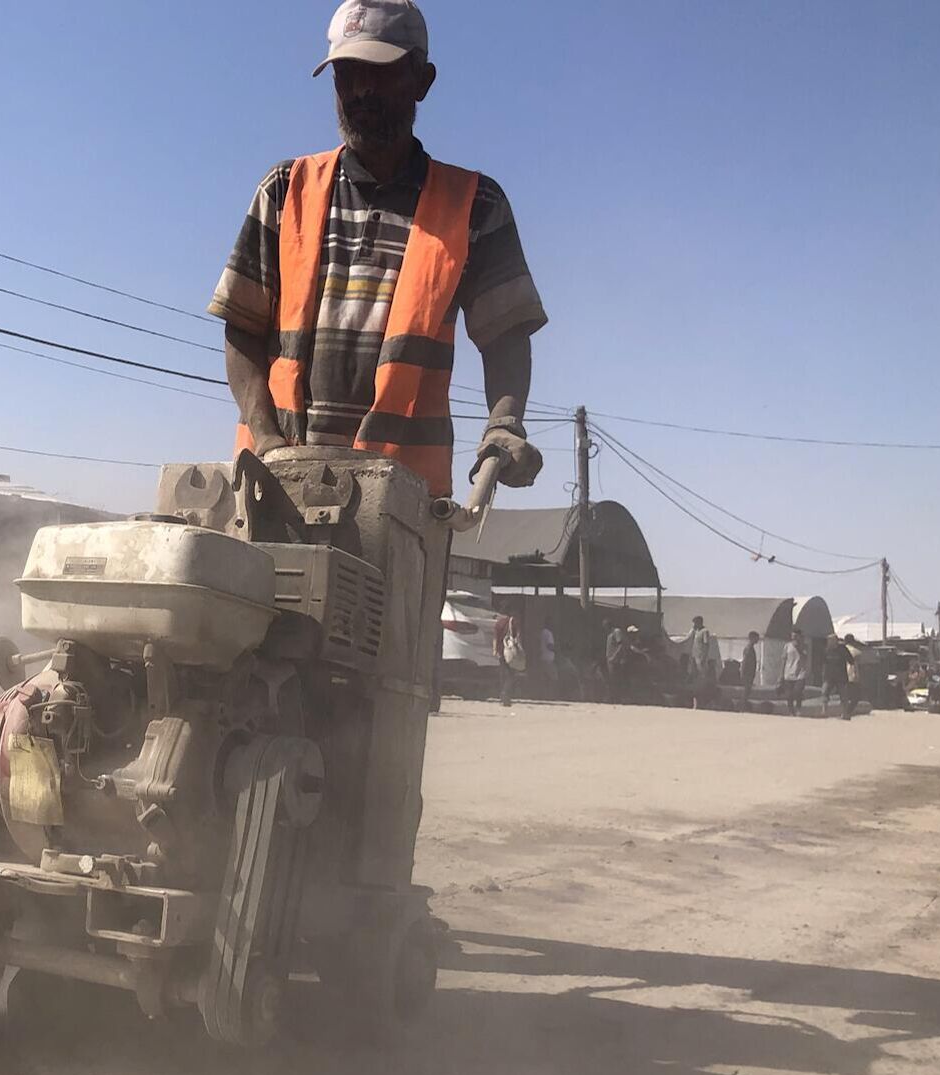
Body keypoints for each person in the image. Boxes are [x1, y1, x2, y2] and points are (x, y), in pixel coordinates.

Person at [212, 2, 546, 572]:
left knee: (388, 658)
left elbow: (505, 335)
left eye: (381, 71)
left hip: (401, 509)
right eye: (347, 74)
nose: (361, 89)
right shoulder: (284, 189)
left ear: (423, 80)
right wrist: (268, 444)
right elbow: (242, 328)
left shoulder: (475, 205)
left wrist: (504, 423)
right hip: (274, 497)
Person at [686, 616, 720, 710]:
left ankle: (702, 702)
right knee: (694, 681)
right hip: (694, 657)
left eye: (694, 623)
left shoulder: (704, 631)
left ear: (698, 622)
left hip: (700, 659)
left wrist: (703, 658)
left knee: (701, 681)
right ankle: (695, 702)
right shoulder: (695, 632)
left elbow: (706, 645)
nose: (693, 625)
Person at [492, 607, 520, 708]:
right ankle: (506, 695)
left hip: (500, 651)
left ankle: (502, 697)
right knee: (511, 675)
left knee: (503, 673)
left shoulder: (498, 623)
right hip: (510, 651)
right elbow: (517, 637)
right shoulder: (513, 622)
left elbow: (495, 637)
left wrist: (494, 649)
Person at [781, 630, 808, 716]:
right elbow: (784, 660)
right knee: (788, 694)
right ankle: (791, 711)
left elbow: (805, 656)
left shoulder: (804, 646)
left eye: (796, 636)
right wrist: (781, 674)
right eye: (793, 636)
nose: (794, 638)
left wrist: (799, 648)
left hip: (800, 673)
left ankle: (798, 708)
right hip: (788, 673)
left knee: (798, 691)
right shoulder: (787, 646)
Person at [838, 634, 864, 720]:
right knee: (855, 697)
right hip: (852, 675)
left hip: (841, 675)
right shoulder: (856, 652)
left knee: (844, 696)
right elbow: (857, 665)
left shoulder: (840, 650)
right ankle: (847, 712)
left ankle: (844, 712)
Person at [604, 622, 628, 703]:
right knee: (612, 679)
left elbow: (620, 645)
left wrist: (614, 657)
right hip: (610, 660)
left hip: (615, 661)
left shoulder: (616, 632)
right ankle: (613, 698)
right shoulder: (609, 634)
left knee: (616, 680)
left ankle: (618, 698)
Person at [740, 631, 760, 712]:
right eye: (756, 638)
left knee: (748, 691)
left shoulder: (751, 648)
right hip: (747, 673)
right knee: (746, 691)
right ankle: (742, 707)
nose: (758, 640)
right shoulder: (748, 649)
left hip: (750, 673)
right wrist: (742, 672)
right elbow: (745, 661)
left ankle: (744, 706)